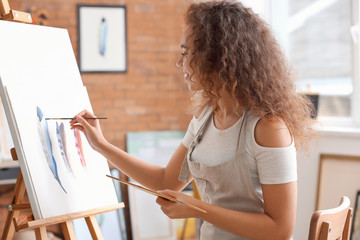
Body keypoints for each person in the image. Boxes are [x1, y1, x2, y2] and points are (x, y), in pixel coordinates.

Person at [70, 1, 315, 239]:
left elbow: (281, 230)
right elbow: (165, 181)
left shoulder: (269, 127)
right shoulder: (205, 117)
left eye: (187, 53)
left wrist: (198, 209)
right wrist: (101, 145)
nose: (180, 63)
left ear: (218, 56)